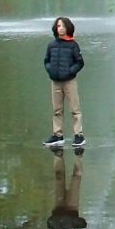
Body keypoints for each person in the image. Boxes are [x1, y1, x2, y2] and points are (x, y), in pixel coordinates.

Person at [43, 16, 86, 148]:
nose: (59, 28)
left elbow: (80, 62)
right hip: (55, 82)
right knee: (57, 110)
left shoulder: (73, 45)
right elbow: (47, 61)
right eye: (58, 26)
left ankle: (79, 135)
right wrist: (50, 71)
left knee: (75, 109)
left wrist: (70, 71)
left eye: (61, 25)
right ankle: (57, 135)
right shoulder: (52, 45)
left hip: (69, 82)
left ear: (67, 27)